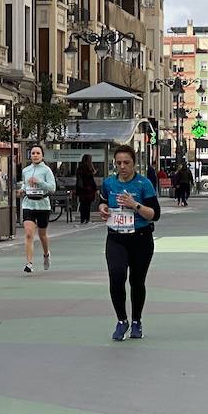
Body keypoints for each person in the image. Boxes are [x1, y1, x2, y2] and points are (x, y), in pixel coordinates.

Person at [98, 144, 161, 341]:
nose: (122, 166)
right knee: (116, 277)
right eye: (118, 163)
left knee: (136, 281)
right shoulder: (109, 183)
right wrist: (103, 209)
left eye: (126, 162)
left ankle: (136, 321)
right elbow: (101, 202)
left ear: (134, 163)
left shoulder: (144, 184)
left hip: (140, 238)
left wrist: (134, 205)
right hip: (116, 237)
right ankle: (121, 320)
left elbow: (154, 214)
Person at [19, 143, 56, 273]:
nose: (35, 155)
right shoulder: (26, 170)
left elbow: (52, 188)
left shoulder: (46, 170)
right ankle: (29, 263)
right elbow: (25, 184)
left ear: (42, 155)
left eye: (37, 153)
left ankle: (46, 254)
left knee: (42, 235)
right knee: (29, 233)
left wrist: (39, 182)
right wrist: (21, 190)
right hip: (28, 203)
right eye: (33, 153)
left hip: (43, 205)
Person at [75, 154, 98, 224]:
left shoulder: (80, 168)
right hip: (89, 189)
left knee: (83, 204)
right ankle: (87, 219)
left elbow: (79, 179)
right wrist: (95, 188)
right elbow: (91, 180)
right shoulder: (89, 168)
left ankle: (83, 218)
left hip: (82, 189)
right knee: (88, 205)